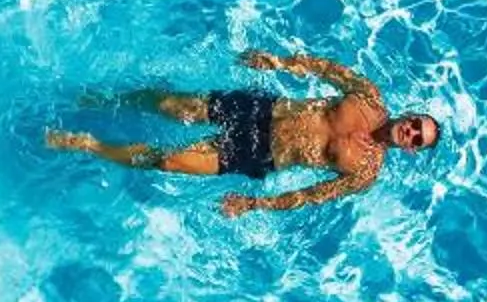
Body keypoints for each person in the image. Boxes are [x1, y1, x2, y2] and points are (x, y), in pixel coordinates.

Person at [44, 48, 440, 219]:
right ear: (409, 114)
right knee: (168, 105)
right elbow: (327, 70)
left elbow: (311, 195)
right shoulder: (369, 97)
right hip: (260, 110)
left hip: (259, 155)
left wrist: (255, 205)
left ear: (410, 149)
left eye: (417, 139)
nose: (411, 132)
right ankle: (105, 99)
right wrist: (280, 62)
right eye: (415, 124)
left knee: (167, 161)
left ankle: (88, 144)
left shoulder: (366, 172)